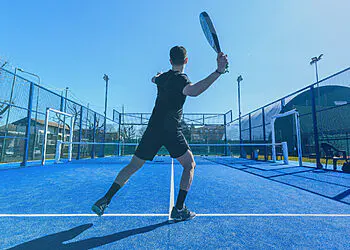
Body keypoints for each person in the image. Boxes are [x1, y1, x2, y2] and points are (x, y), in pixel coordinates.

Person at [92, 46, 228, 221]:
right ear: (186, 61)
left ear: (170, 61)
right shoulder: (181, 79)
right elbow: (193, 91)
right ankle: (179, 209)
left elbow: (153, 78)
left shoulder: (162, 78)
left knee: (133, 166)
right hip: (171, 130)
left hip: (153, 129)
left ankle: (106, 199)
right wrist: (218, 71)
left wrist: (159, 75)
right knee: (189, 165)